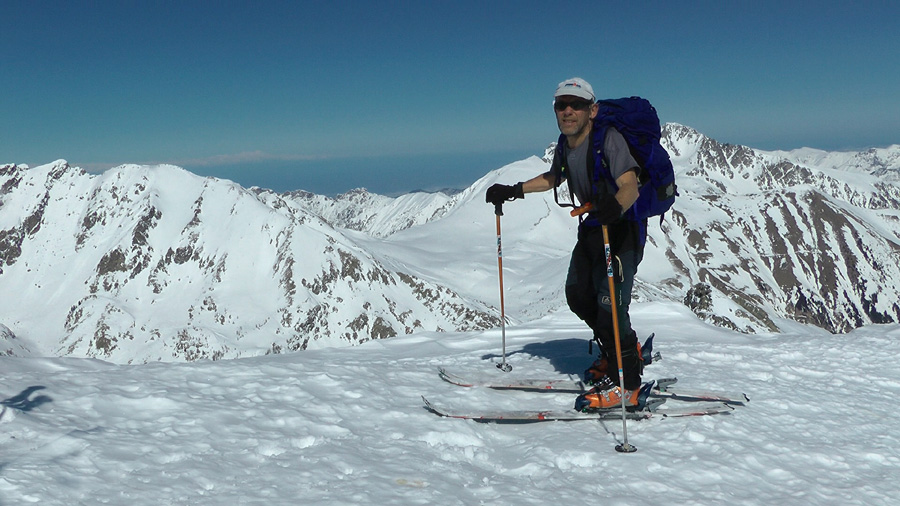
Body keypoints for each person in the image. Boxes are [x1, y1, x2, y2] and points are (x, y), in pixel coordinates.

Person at [485, 77, 646, 411]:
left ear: (593, 110)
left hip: (621, 228)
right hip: (594, 224)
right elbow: (554, 177)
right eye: (562, 105)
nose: (568, 111)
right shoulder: (566, 144)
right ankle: (612, 353)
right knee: (578, 295)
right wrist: (513, 190)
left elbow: (629, 185)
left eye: (576, 105)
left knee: (610, 306)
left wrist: (614, 206)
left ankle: (628, 384)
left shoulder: (609, 141)